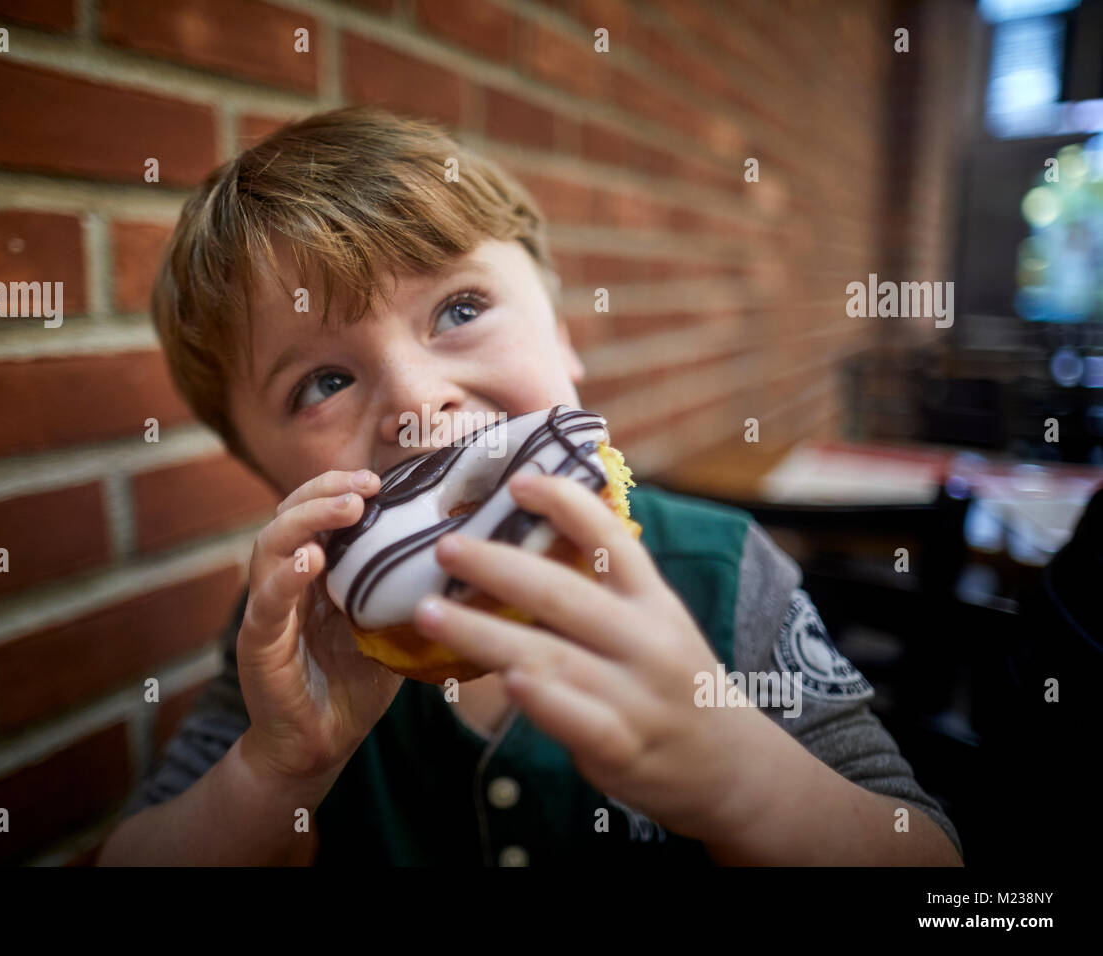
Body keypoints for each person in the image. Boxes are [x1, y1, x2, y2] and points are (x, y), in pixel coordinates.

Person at [96, 105, 962, 866]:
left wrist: (739, 777)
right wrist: (275, 769)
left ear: (565, 334)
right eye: (322, 383)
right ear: (268, 477)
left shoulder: (725, 573)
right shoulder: (297, 644)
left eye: (460, 310)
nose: (414, 398)